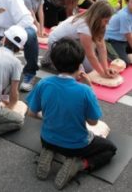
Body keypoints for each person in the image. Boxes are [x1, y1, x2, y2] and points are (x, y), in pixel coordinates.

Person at [27, 37, 117, 190]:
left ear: (54, 63)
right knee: (110, 148)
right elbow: (93, 122)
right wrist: (89, 86)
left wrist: (48, 117)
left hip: (47, 139)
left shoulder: (43, 83)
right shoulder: (85, 91)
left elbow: (31, 113)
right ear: (80, 64)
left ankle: (49, 151)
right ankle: (80, 164)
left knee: (53, 138)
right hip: (76, 146)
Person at [42, 0, 116, 78]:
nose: (107, 24)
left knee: (90, 68)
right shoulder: (85, 27)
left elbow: (101, 47)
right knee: (79, 73)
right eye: (106, 21)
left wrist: (106, 69)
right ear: (97, 17)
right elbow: (90, 54)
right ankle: (50, 59)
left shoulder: (95, 22)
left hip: (72, 40)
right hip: (57, 43)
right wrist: (102, 73)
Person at [105, 0, 132, 65]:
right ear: (126, 2)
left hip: (123, 40)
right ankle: (107, 50)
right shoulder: (125, 15)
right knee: (123, 63)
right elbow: (129, 37)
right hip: (112, 41)